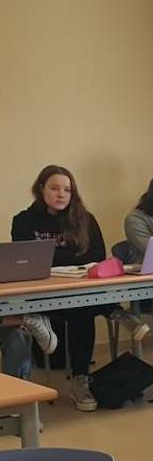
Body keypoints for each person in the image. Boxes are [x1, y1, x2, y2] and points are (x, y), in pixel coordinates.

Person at [8, 165, 116, 406]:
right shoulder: (24, 220)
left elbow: (96, 257)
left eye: (67, 190)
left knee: (83, 308)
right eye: (55, 188)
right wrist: (71, 258)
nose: (61, 194)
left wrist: (58, 260)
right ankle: (116, 311)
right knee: (84, 308)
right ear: (41, 189)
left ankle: (80, 379)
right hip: (39, 294)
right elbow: (25, 261)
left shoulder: (85, 219)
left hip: (78, 292)